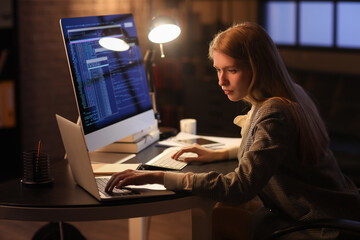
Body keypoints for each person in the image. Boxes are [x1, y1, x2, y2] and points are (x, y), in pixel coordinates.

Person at [105, 22, 360, 239]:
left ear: (257, 68)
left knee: (222, 217)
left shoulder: (274, 113)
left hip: (319, 227)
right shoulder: (290, 94)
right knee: (222, 214)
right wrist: (217, 153)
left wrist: (159, 177)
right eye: (218, 69)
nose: (221, 81)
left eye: (232, 70)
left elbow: (239, 188)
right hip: (337, 210)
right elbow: (274, 148)